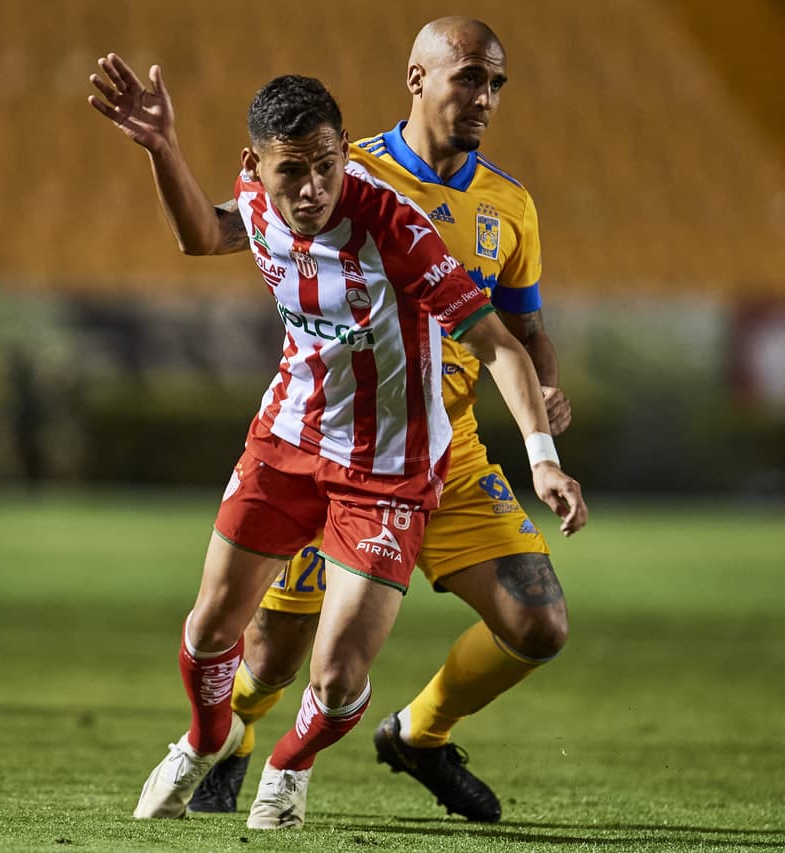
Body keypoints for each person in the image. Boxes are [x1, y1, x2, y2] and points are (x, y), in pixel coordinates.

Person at [88, 59, 587, 831]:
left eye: (327, 166)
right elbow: (204, 235)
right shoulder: (257, 196)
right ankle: (207, 737)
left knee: (340, 669)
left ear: (346, 151)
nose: (313, 189)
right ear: (256, 165)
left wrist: (543, 456)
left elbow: (502, 344)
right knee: (220, 627)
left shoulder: (396, 228)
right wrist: (162, 146)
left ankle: (290, 767)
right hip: (286, 443)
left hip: (389, 469)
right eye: (294, 171)